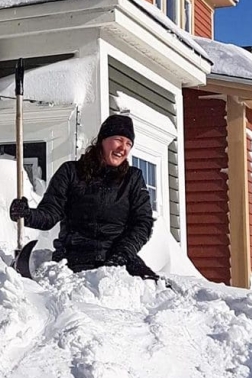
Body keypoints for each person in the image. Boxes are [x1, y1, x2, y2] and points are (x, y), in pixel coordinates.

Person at [9, 114, 158, 279]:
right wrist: (27, 215)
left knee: (159, 295)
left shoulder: (133, 179)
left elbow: (142, 223)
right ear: (102, 140)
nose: (123, 148)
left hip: (119, 258)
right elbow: (50, 213)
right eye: (118, 139)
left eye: (128, 143)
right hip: (74, 258)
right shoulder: (71, 172)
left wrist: (122, 255)